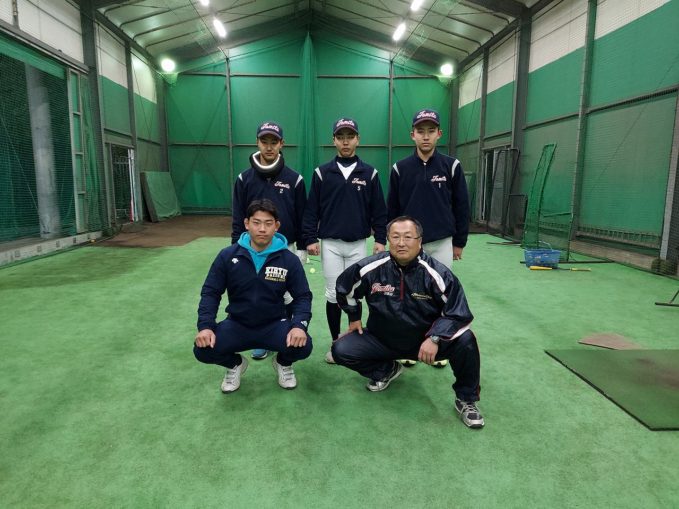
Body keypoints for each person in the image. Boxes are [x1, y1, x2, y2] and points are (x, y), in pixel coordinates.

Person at [332, 216, 484, 429]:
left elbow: (458, 313)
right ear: (388, 240)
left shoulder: (438, 273)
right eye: (395, 237)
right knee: (341, 349)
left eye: (408, 237)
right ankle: (386, 370)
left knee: (466, 340)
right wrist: (354, 316)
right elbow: (344, 288)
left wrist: (435, 338)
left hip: (425, 345)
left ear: (419, 241)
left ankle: (466, 399)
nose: (401, 243)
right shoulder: (371, 267)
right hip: (383, 340)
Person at [194, 199, 313, 392]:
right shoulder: (227, 256)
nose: (262, 229)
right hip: (237, 324)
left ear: (277, 226)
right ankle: (235, 364)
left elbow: (303, 296)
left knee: (303, 346)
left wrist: (299, 326)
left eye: (268, 223)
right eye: (256, 223)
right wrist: (205, 326)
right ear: (247, 223)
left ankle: (283, 363)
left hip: (274, 324)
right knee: (203, 349)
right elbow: (211, 293)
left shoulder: (288, 260)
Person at [387, 109, 471, 368]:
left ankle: (439, 345)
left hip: (441, 241)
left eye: (430, 131)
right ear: (412, 135)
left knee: (440, 295)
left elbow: (462, 206)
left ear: (439, 134)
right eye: (420, 131)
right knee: (407, 296)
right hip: (409, 245)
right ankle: (407, 347)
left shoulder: (451, 166)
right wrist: (394, 241)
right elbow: (392, 210)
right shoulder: (400, 169)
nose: (426, 136)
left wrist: (459, 242)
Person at [302, 117, 387, 364]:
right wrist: (310, 238)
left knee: (353, 294)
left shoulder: (370, 173)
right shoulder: (322, 173)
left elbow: (379, 210)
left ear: (358, 139)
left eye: (350, 137)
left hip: (358, 245)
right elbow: (311, 210)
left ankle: (353, 343)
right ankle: (335, 342)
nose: (346, 141)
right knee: (332, 294)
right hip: (330, 244)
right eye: (341, 137)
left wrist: (380, 238)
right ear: (334, 141)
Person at [231, 121, 307, 360]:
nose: (269, 147)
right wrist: (235, 248)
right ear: (257, 143)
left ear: (282, 144)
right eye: (264, 141)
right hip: (251, 248)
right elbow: (238, 216)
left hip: (286, 247)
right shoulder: (244, 179)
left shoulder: (294, 179)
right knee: (259, 291)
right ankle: (261, 340)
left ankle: (284, 334)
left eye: (274, 142)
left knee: (288, 295)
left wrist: (303, 246)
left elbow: (302, 215)